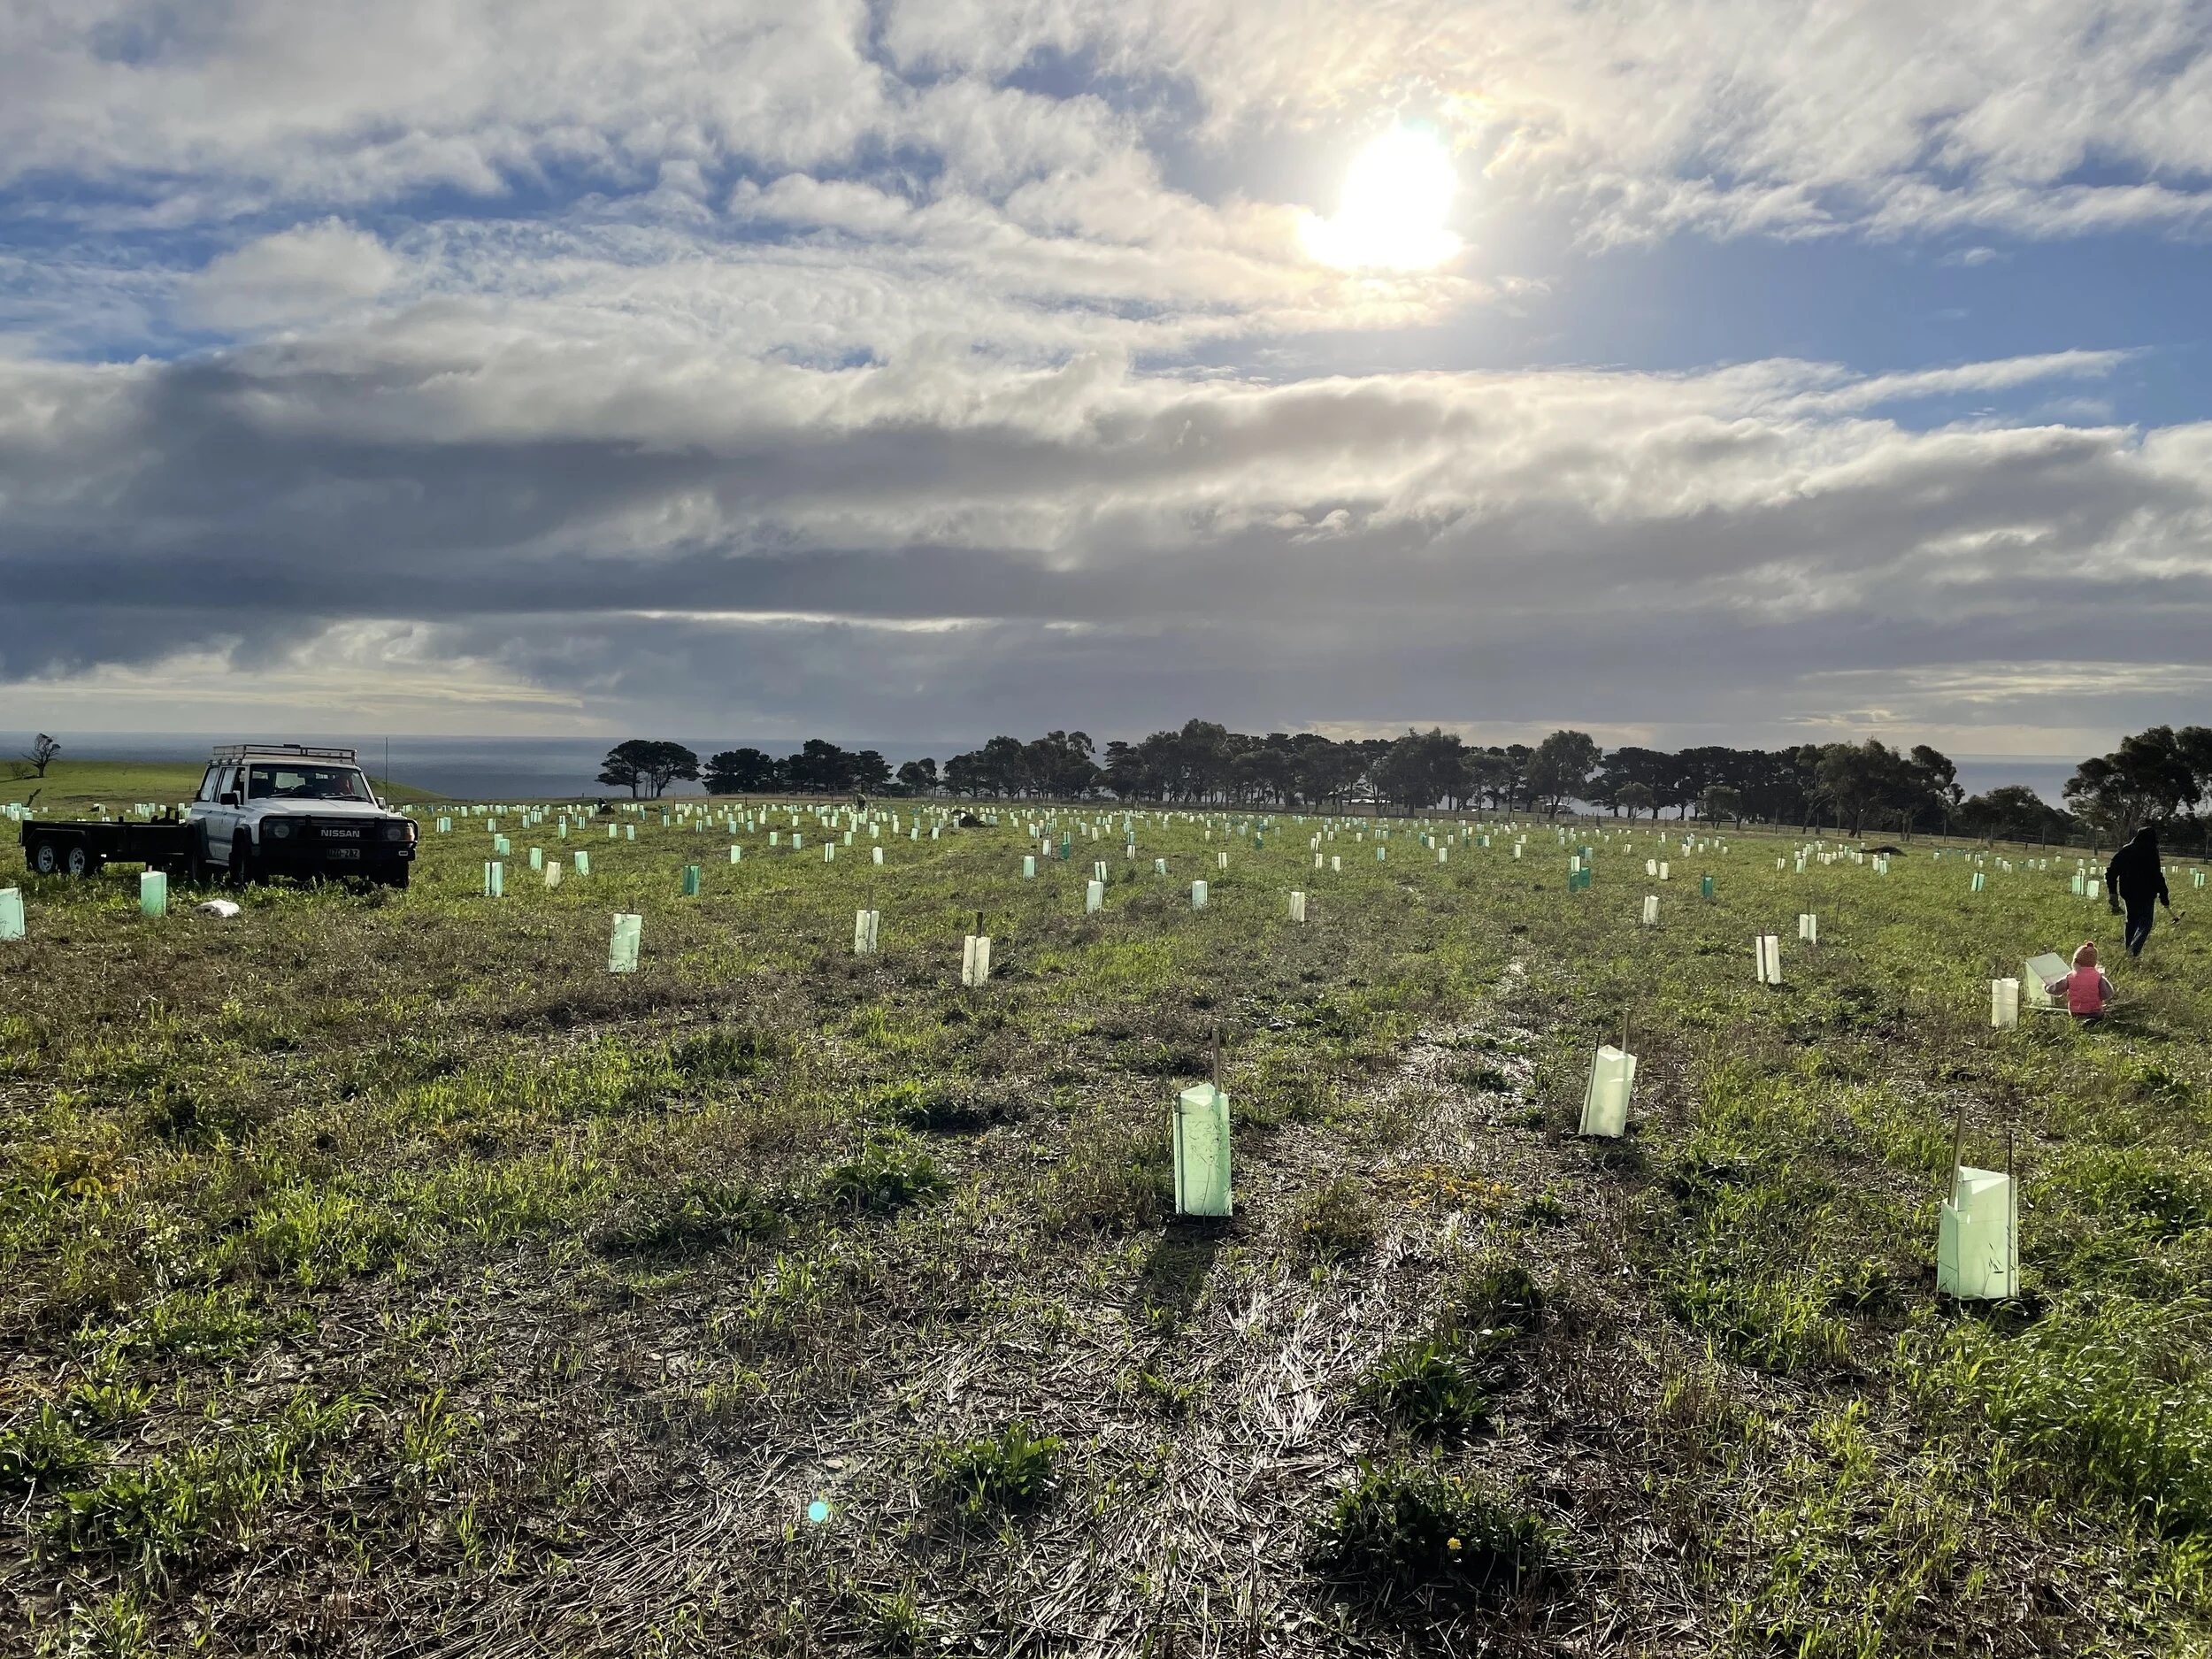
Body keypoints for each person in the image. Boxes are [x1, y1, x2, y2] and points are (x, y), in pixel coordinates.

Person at [2105, 826, 2172, 958]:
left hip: (2129, 893)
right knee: (2145, 923)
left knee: (2132, 921)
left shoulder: (2126, 851)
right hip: (2147, 894)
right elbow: (2157, 876)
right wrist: (2163, 895)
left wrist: (2113, 892)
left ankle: (2128, 950)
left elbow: (2111, 872)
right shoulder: (2151, 852)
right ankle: (2133, 951)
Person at [2043, 941, 2116, 1018]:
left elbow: (2056, 989)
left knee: (2078, 1017)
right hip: (2095, 1012)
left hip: (2076, 1013)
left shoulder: (2071, 976)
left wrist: (2047, 986)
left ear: (2075, 961)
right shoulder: (2098, 977)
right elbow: (2107, 994)